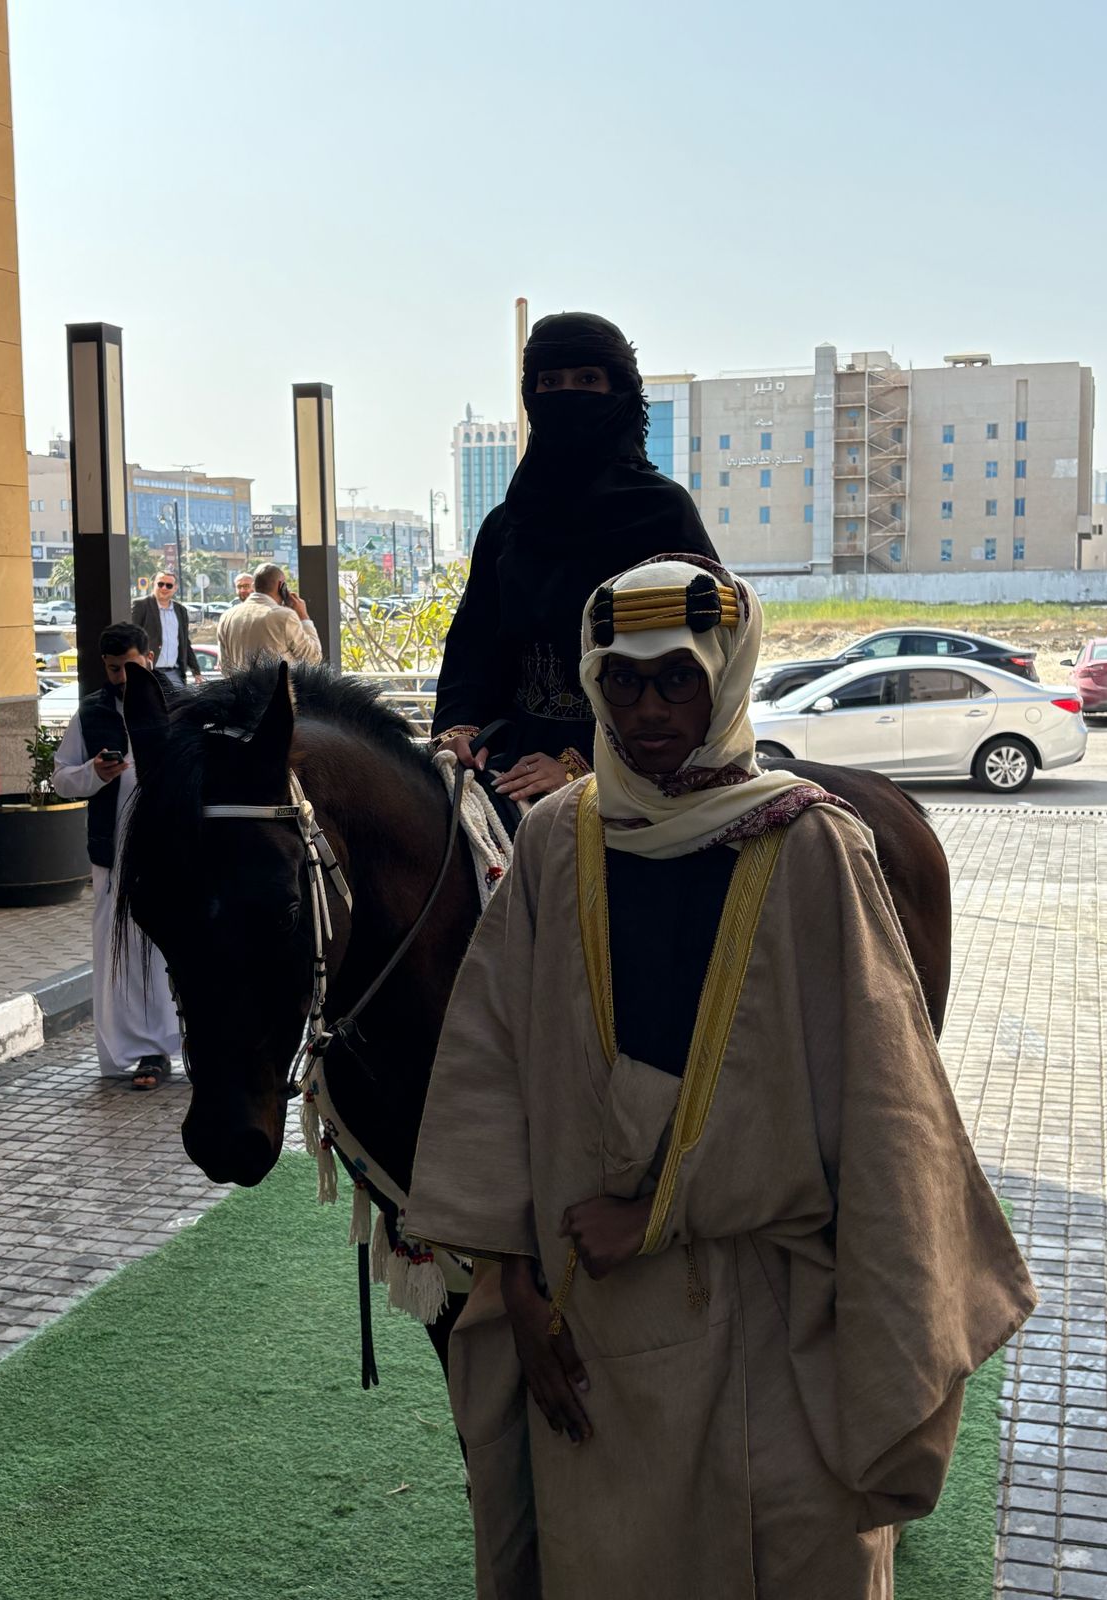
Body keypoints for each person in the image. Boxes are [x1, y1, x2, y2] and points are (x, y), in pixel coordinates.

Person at [406, 556, 1036, 1600]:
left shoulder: (813, 848)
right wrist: (514, 1278)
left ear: (727, 676)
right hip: (589, 1323)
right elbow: (491, 1065)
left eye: (677, 679)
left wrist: (662, 1209)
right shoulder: (559, 840)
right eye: (623, 681)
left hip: (774, 1323)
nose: (648, 710)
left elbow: (884, 1114)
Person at [430, 310, 717, 806]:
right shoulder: (507, 524)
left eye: (587, 380)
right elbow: (473, 645)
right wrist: (460, 730)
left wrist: (582, 765)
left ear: (620, 392)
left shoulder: (663, 513)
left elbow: (698, 665)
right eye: (550, 382)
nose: (566, 395)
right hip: (509, 761)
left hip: (636, 774)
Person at [52, 622, 182, 1090]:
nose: (122, 677)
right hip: (114, 852)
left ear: (150, 657)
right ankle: (145, 1050)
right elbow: (62, 779)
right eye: (112, 669)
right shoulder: (92, 713)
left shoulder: (180, 703)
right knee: (121, 951)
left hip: (172, 846)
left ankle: (193, 1045)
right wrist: (94, 772)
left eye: (129, 666)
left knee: (177, 946)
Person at [216, 562, 322, 671]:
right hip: (279, 682)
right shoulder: (285, 617)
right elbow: (313, 658)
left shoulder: (226, 617)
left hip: (239, 682)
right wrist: (304, 616)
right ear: (281, 586)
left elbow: (224, 666)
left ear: (254, 586)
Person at [131, 572, 201, 690]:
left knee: (179, 702)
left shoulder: (181, 610)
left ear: (175, 588)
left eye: (169, 585)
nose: (164, 588)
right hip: (149, 672)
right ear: (154, 584)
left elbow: (185, 643)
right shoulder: (141, 605)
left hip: (175, 673)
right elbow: (131, 638)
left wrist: (196, 670)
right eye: (160, 584)